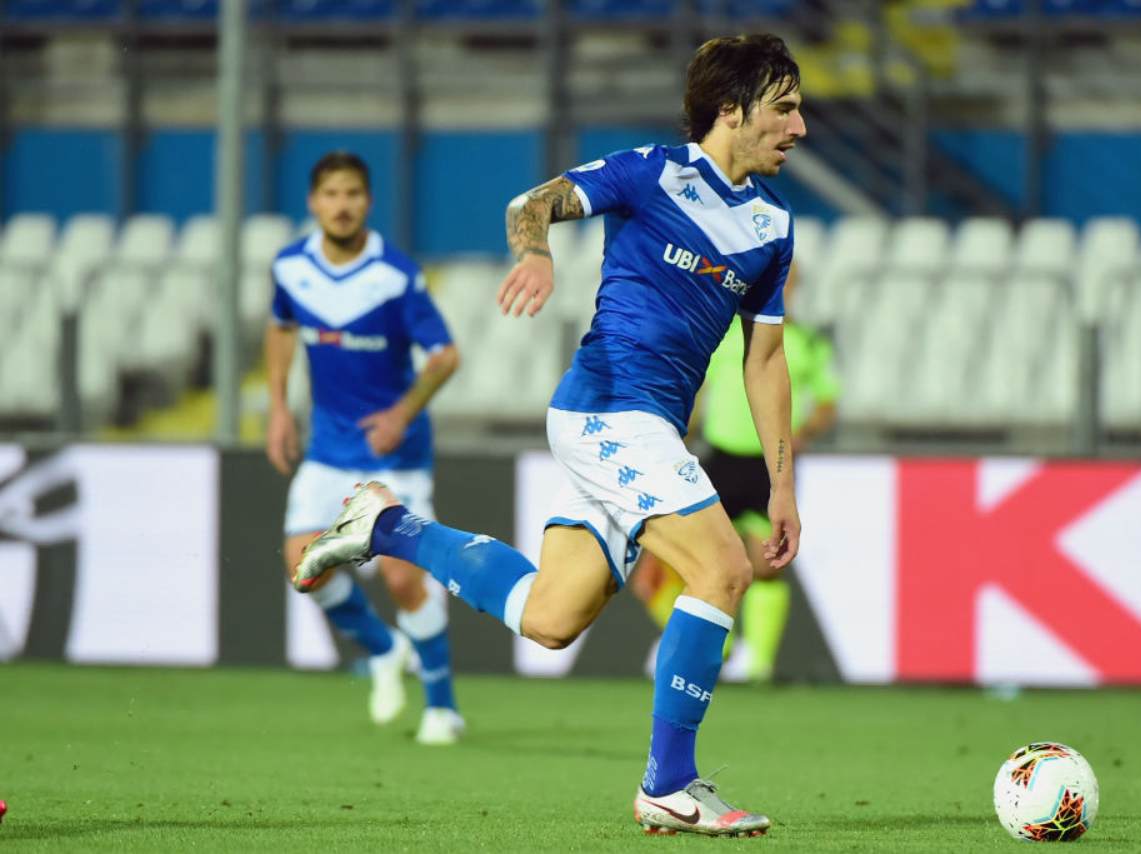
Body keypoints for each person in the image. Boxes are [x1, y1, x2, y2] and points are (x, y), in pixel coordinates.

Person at [293, 34, 806, 836]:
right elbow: (527, 204)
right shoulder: (651, 172)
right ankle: (669, 783)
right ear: (731, 113)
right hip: (607, 410)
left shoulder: (773, 224)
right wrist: (536, 256)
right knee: (722, 570)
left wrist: (782, 485)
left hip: (647, 432)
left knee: (550, 618)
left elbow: (766, 361)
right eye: (785, 108)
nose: (800, 127)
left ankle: (387, 526)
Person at [265, 151, 465, 745]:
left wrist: (403, 413)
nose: (342, 205)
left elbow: (445, 354)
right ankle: (382, 650)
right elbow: (279, 329)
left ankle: (442, 707)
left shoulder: (395, 274)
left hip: (394, 454)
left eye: (352, 194)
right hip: (328, 447)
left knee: (404, 581)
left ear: (368, 202)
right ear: (313, 202)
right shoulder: (290, 266)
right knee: (304, 565)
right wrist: (278, 407)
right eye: (331, 194)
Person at [631, 261, 839, 683]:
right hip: (718, 461)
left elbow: (828, 403)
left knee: (765, 565)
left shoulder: (807, 343)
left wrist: (804, 431)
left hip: (768, 467)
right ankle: (719, 645)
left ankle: (759, 665)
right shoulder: (723, 336)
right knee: (659, 572)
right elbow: (698, 395)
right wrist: (671, 439)